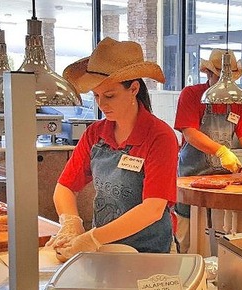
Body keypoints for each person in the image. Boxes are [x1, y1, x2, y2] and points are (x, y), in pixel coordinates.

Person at [47, 37, 178, 259]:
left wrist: (92, 238)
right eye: (96, 96)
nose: (101, 104)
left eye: (109, 96)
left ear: (134, 89)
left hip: (150, 255)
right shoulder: (95, 133)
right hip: (104, 250)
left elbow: (153, 208)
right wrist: (71, 223)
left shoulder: (160, 136)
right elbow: (65, 187)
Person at [173, 49, 242, 251]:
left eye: (231, 77)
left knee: (219, 235)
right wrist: (221, 151)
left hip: (223, 181)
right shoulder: (191, 95)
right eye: (221, 76)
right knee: (187, 236)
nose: (228, 82)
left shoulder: (237, 101)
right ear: (208, 73)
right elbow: (190, 133)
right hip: (192, 177)